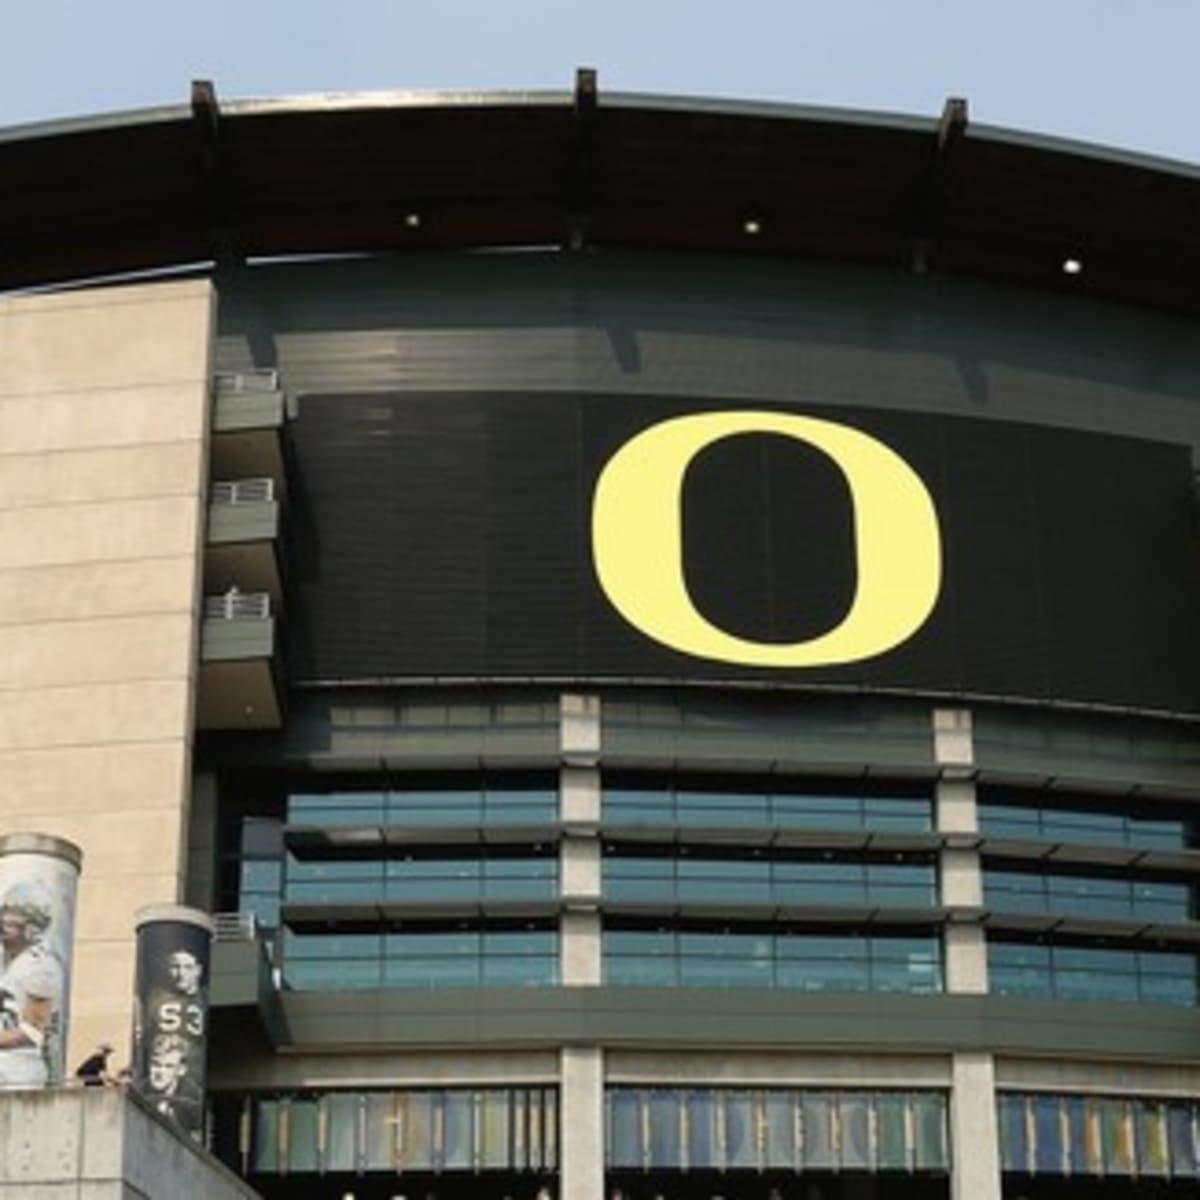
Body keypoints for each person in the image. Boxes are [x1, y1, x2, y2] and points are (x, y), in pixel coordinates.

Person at [0, 879, 64, 1087]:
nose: (4, 924)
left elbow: (33, 1031)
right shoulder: (6, 961)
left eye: (12, 921)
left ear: (32, 927)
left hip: (18, 1071)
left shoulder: (42, 967)